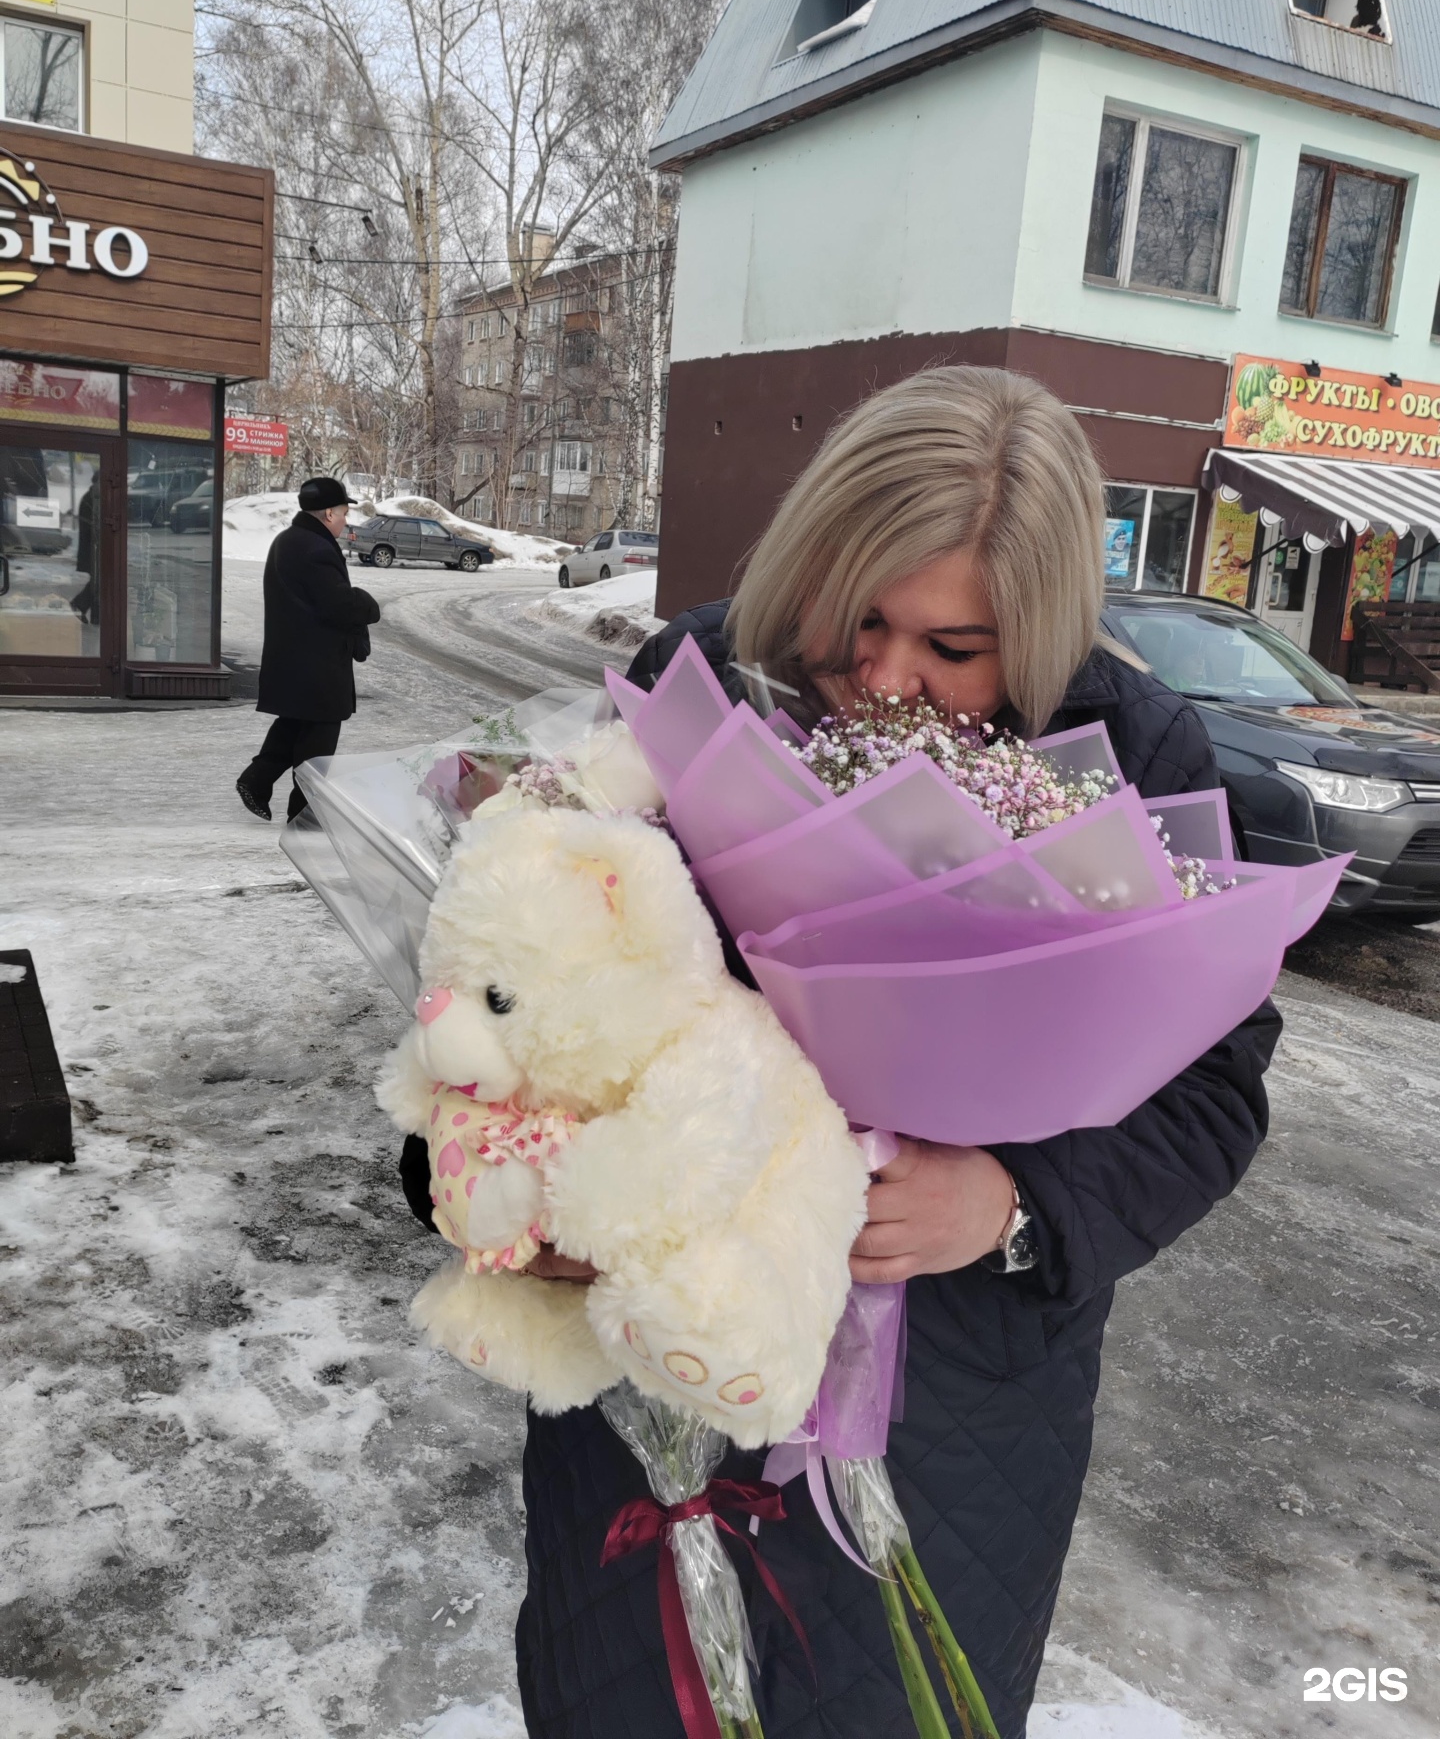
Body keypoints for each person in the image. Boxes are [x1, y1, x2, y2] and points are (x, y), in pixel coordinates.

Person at [400, 367, 1280, 1738]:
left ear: (1038, 633)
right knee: (624, 1694)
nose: (885, 679)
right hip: (657, 1365)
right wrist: (502, 1192)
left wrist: (1020, 1204)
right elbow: (519, 980)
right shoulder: (690, 691)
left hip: (951, 1409)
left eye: (956, 648)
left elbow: (1214, 1083)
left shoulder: (1129, 753)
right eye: (858, 616)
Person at [236, 476, 381, 824]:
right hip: (316, 663)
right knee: (318, 739)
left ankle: (255, 781)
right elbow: (337, 605)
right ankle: (305, 813)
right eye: (344, 512)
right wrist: (366, 603)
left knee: (295, 725)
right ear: (329, 512)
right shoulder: (314, 549)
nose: (346, 519)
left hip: (296, 657)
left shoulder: (290, 540)